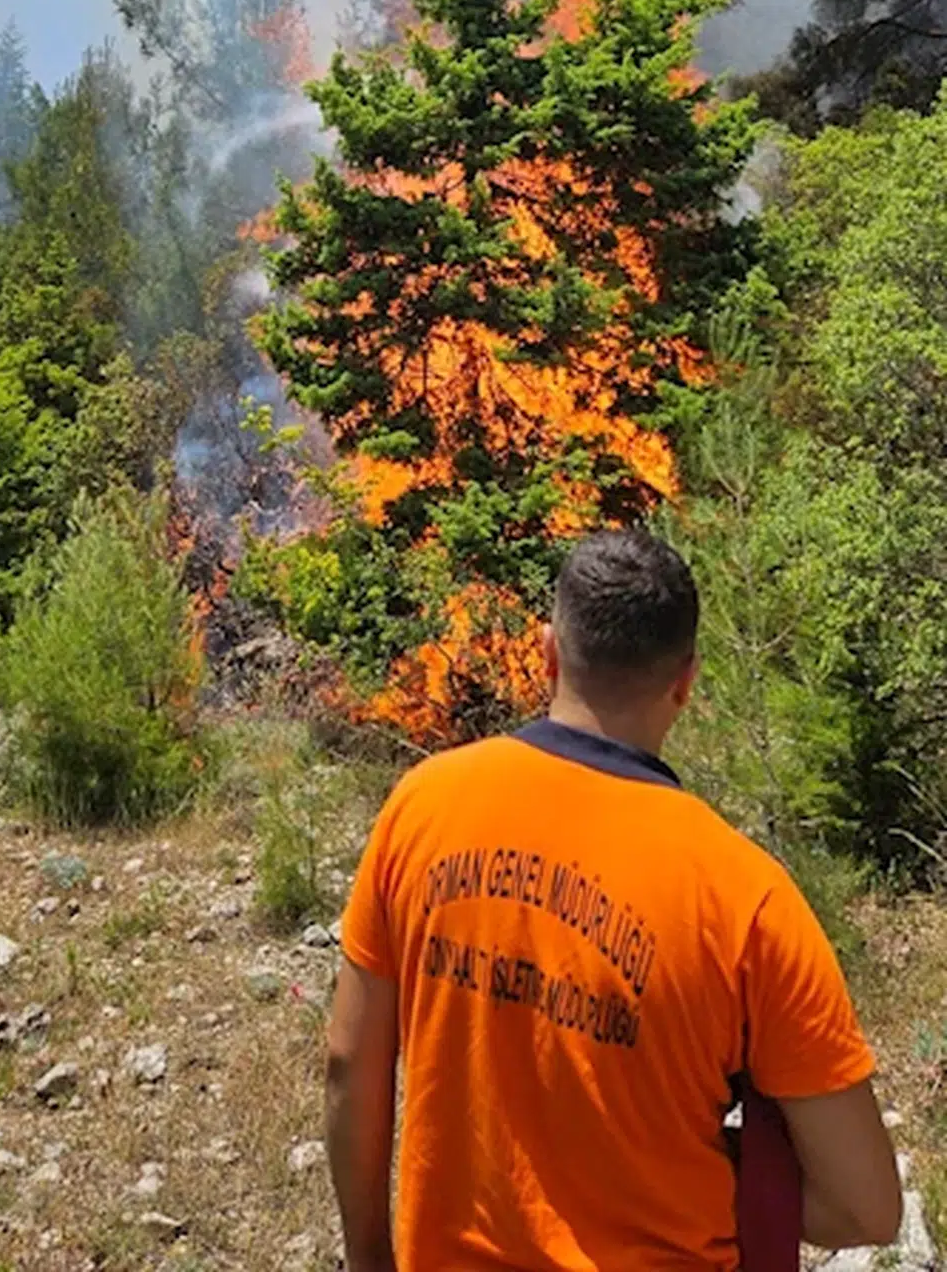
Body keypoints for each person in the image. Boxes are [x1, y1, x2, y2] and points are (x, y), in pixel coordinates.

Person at [325, 528, 902, 1272]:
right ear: (686, 683)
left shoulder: (421, 806)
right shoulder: (745, 898)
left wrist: (370, 1257)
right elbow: (866, 1207)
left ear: (548, 653)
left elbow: (349, 1061)